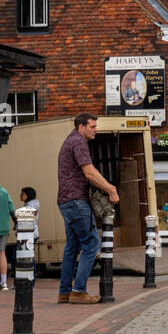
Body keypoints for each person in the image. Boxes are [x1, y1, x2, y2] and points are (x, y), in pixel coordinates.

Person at [57, 113, 119, 306]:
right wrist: (110, 189)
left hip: (66, 201)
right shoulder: (78, 142)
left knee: (72, 248)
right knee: (91, 244)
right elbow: (89, 172)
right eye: (92, 126)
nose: (96, 130)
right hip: (76, 202)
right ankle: (78, 291)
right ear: (81, 127)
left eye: (95, 126)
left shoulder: (70, 141)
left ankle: (65, 292)